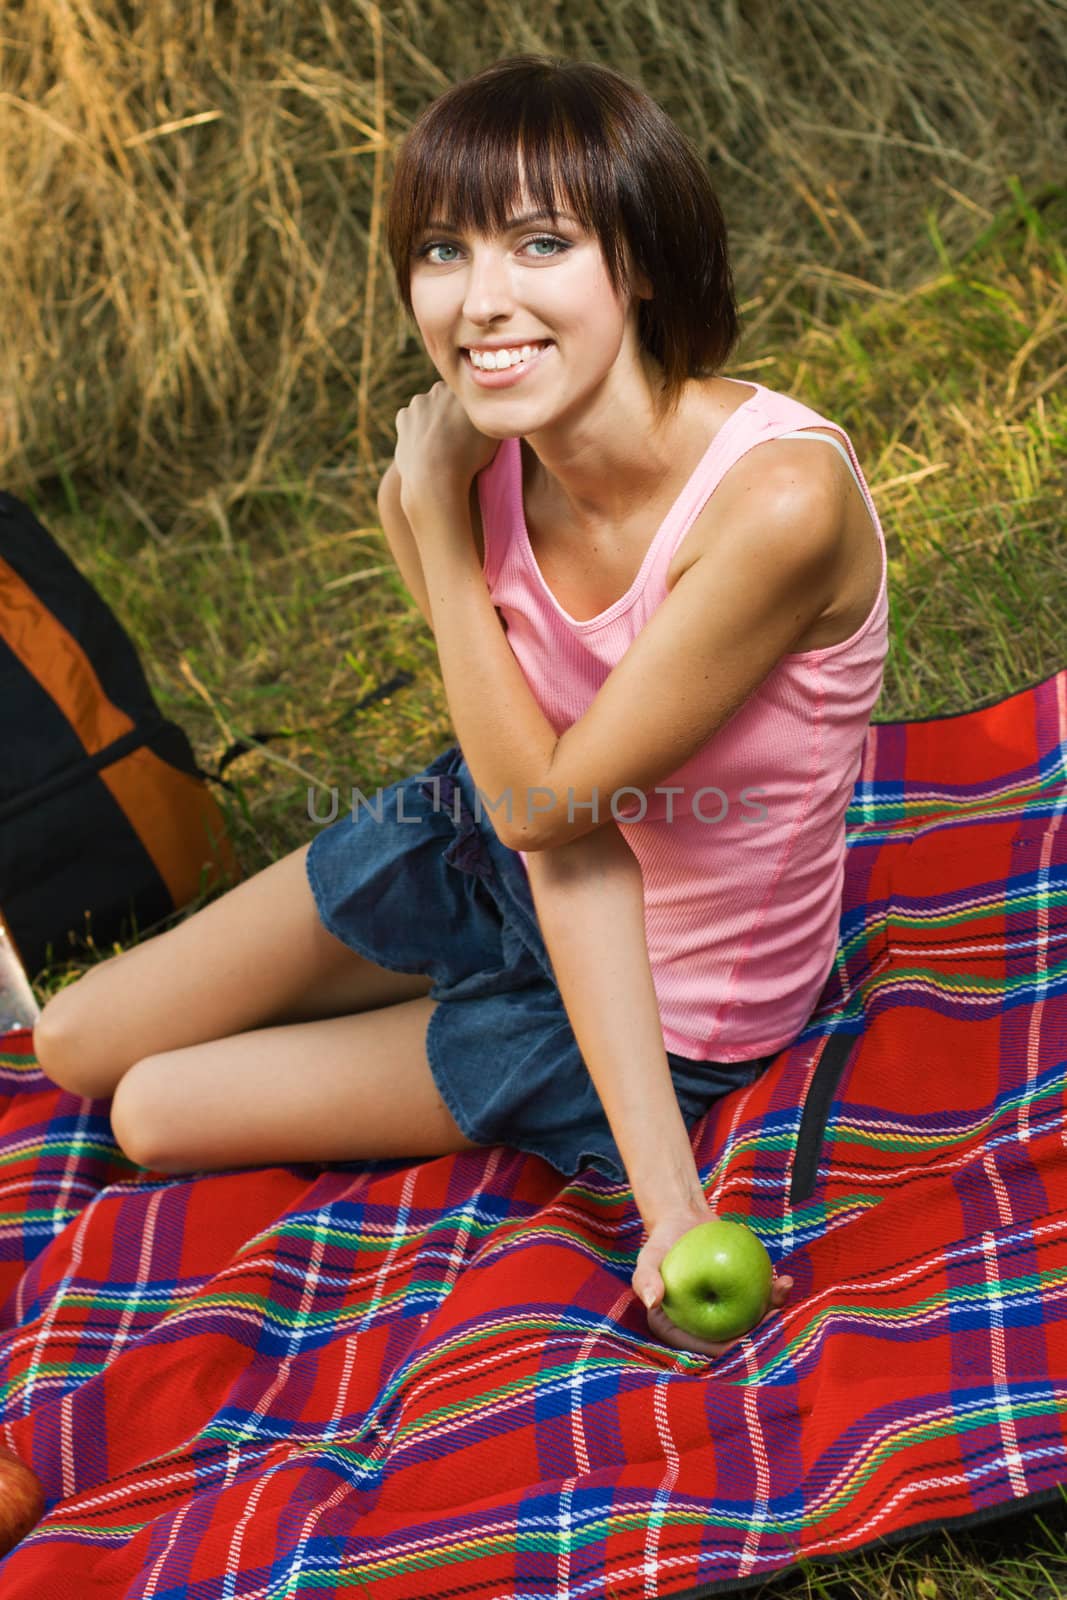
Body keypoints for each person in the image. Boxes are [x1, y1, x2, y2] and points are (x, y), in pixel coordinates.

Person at [32, 54, 889, 1358]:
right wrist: (432, 510)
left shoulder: (776, 504)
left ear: (641, 262)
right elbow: (529, 811)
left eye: (540, 244)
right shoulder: (460, 482)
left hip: (670, 984)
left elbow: (562, 822)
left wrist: (671, 1208)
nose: (481, 303)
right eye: (442, 251)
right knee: (78, 1045)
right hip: (499, 842)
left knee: (153, 1111)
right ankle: (382, 984)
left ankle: (412, 1018)